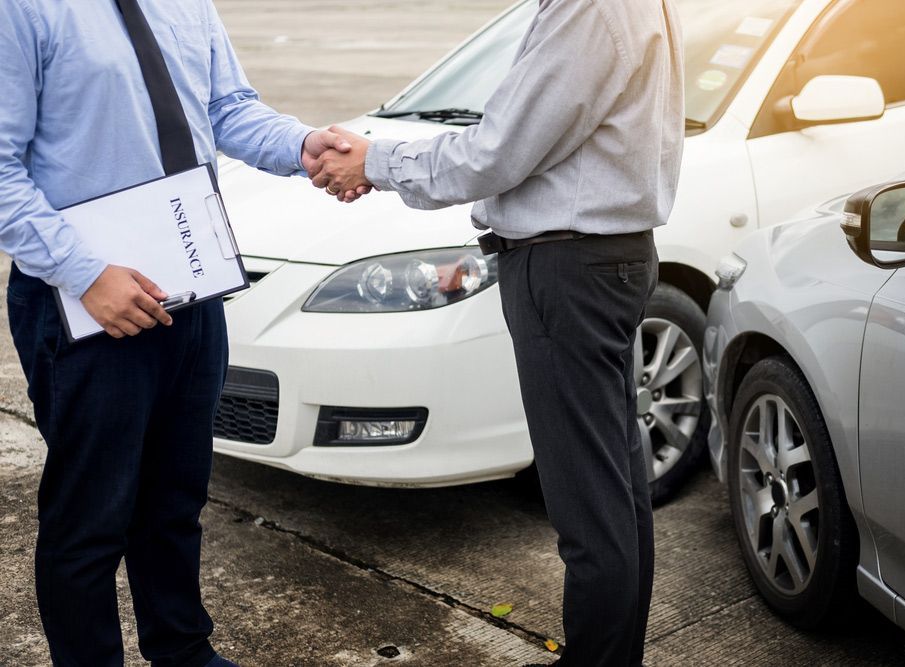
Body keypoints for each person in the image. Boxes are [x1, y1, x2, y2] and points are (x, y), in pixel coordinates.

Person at [307, 0, 684, 664]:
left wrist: (374, 161)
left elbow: (497, 151)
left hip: (569, 268)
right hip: (597, 258)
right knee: (613, 488)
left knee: (588, 509)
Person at [0, 1, 360, 665]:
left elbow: (227, 107)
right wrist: (87, 274)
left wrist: (299, 144)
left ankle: (183, 649)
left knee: (174, 499)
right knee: (90, 519)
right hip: (86, 301)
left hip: (195, 286)